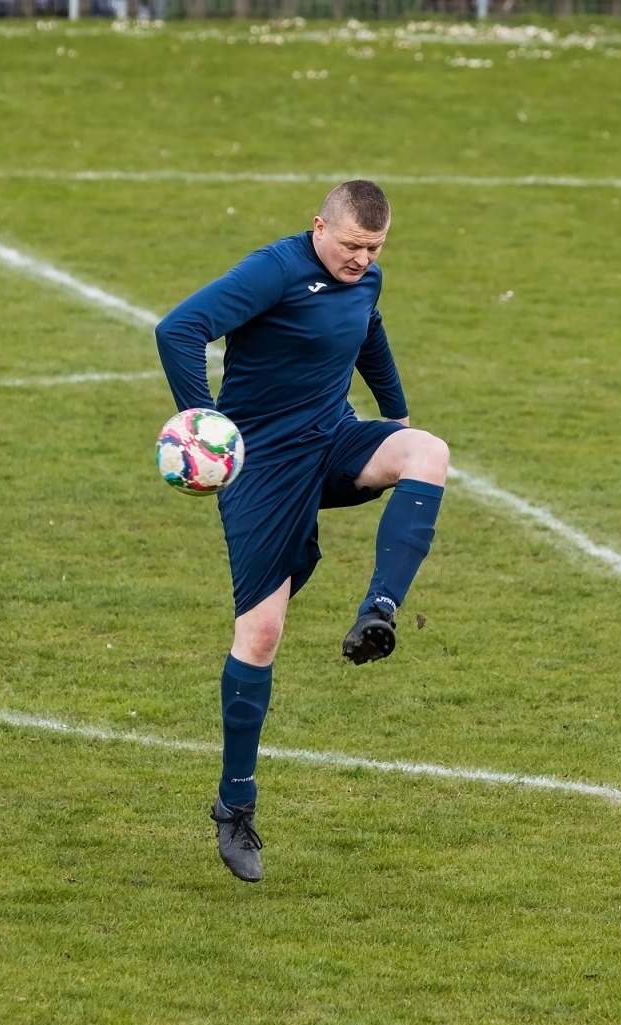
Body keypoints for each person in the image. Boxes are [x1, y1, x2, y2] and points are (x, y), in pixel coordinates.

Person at [155, 180, 448, 882]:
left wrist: (396, 413)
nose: (361, 260)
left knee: (427, 453)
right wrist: (207, 425)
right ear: (320, 227)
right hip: (261, 466)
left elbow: (368, 332)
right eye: (350, 246)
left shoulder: (366, 277)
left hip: (333, 439)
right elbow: (179, 329)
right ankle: (235, 806)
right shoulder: (276, 270)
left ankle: (378, 612)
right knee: (260, 634)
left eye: (374, 248)